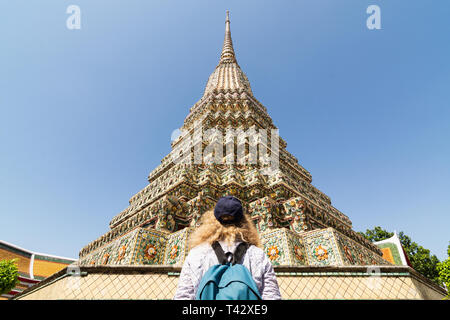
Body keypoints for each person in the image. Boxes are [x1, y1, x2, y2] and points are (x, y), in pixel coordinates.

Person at [174, 195, 282, 300]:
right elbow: (271, 295)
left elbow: (184, 295)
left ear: (213, 220)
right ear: (244, 222)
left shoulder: (196, 254)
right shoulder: (257, 254)